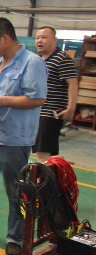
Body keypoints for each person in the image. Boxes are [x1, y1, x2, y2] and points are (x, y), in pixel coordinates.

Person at [0, 18, 48, 255]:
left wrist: (2, 101)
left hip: (14, 139)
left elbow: (37, 99)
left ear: (5, 38)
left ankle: (15, 238)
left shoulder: (32, 63)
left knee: (16, 191)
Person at [33, 27, 78, 162]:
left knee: (43, 152)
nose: (39, 41)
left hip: (51, 112)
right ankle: (52, 173)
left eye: (44, 37)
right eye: (37, 38)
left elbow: (73, 84)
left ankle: (45, 175)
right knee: (44, 152)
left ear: (54, 40)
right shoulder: (37, 59)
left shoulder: (62, 58)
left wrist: (71, 109)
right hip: (37, 110)